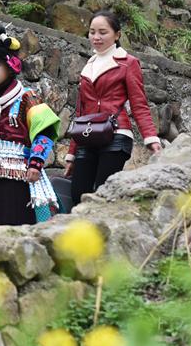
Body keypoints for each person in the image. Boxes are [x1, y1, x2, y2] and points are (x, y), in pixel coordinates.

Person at [0, 23, 62, 227]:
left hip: (19, 176)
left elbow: (43, 132)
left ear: (10, 65)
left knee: (14, 225)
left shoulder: (27, 97)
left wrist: (36, 162)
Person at [64, 11, 161, 207]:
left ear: (117, 35)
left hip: (116, 134)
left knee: (103, 195)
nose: (96, 37)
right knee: (77, 195)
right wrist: (72, 153)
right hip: (88, 135)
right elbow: (81, 113)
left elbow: (139, 103)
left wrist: (151, 138)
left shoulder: (128, 63)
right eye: (92, 32)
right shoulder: (88, 66)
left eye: (102, 32)